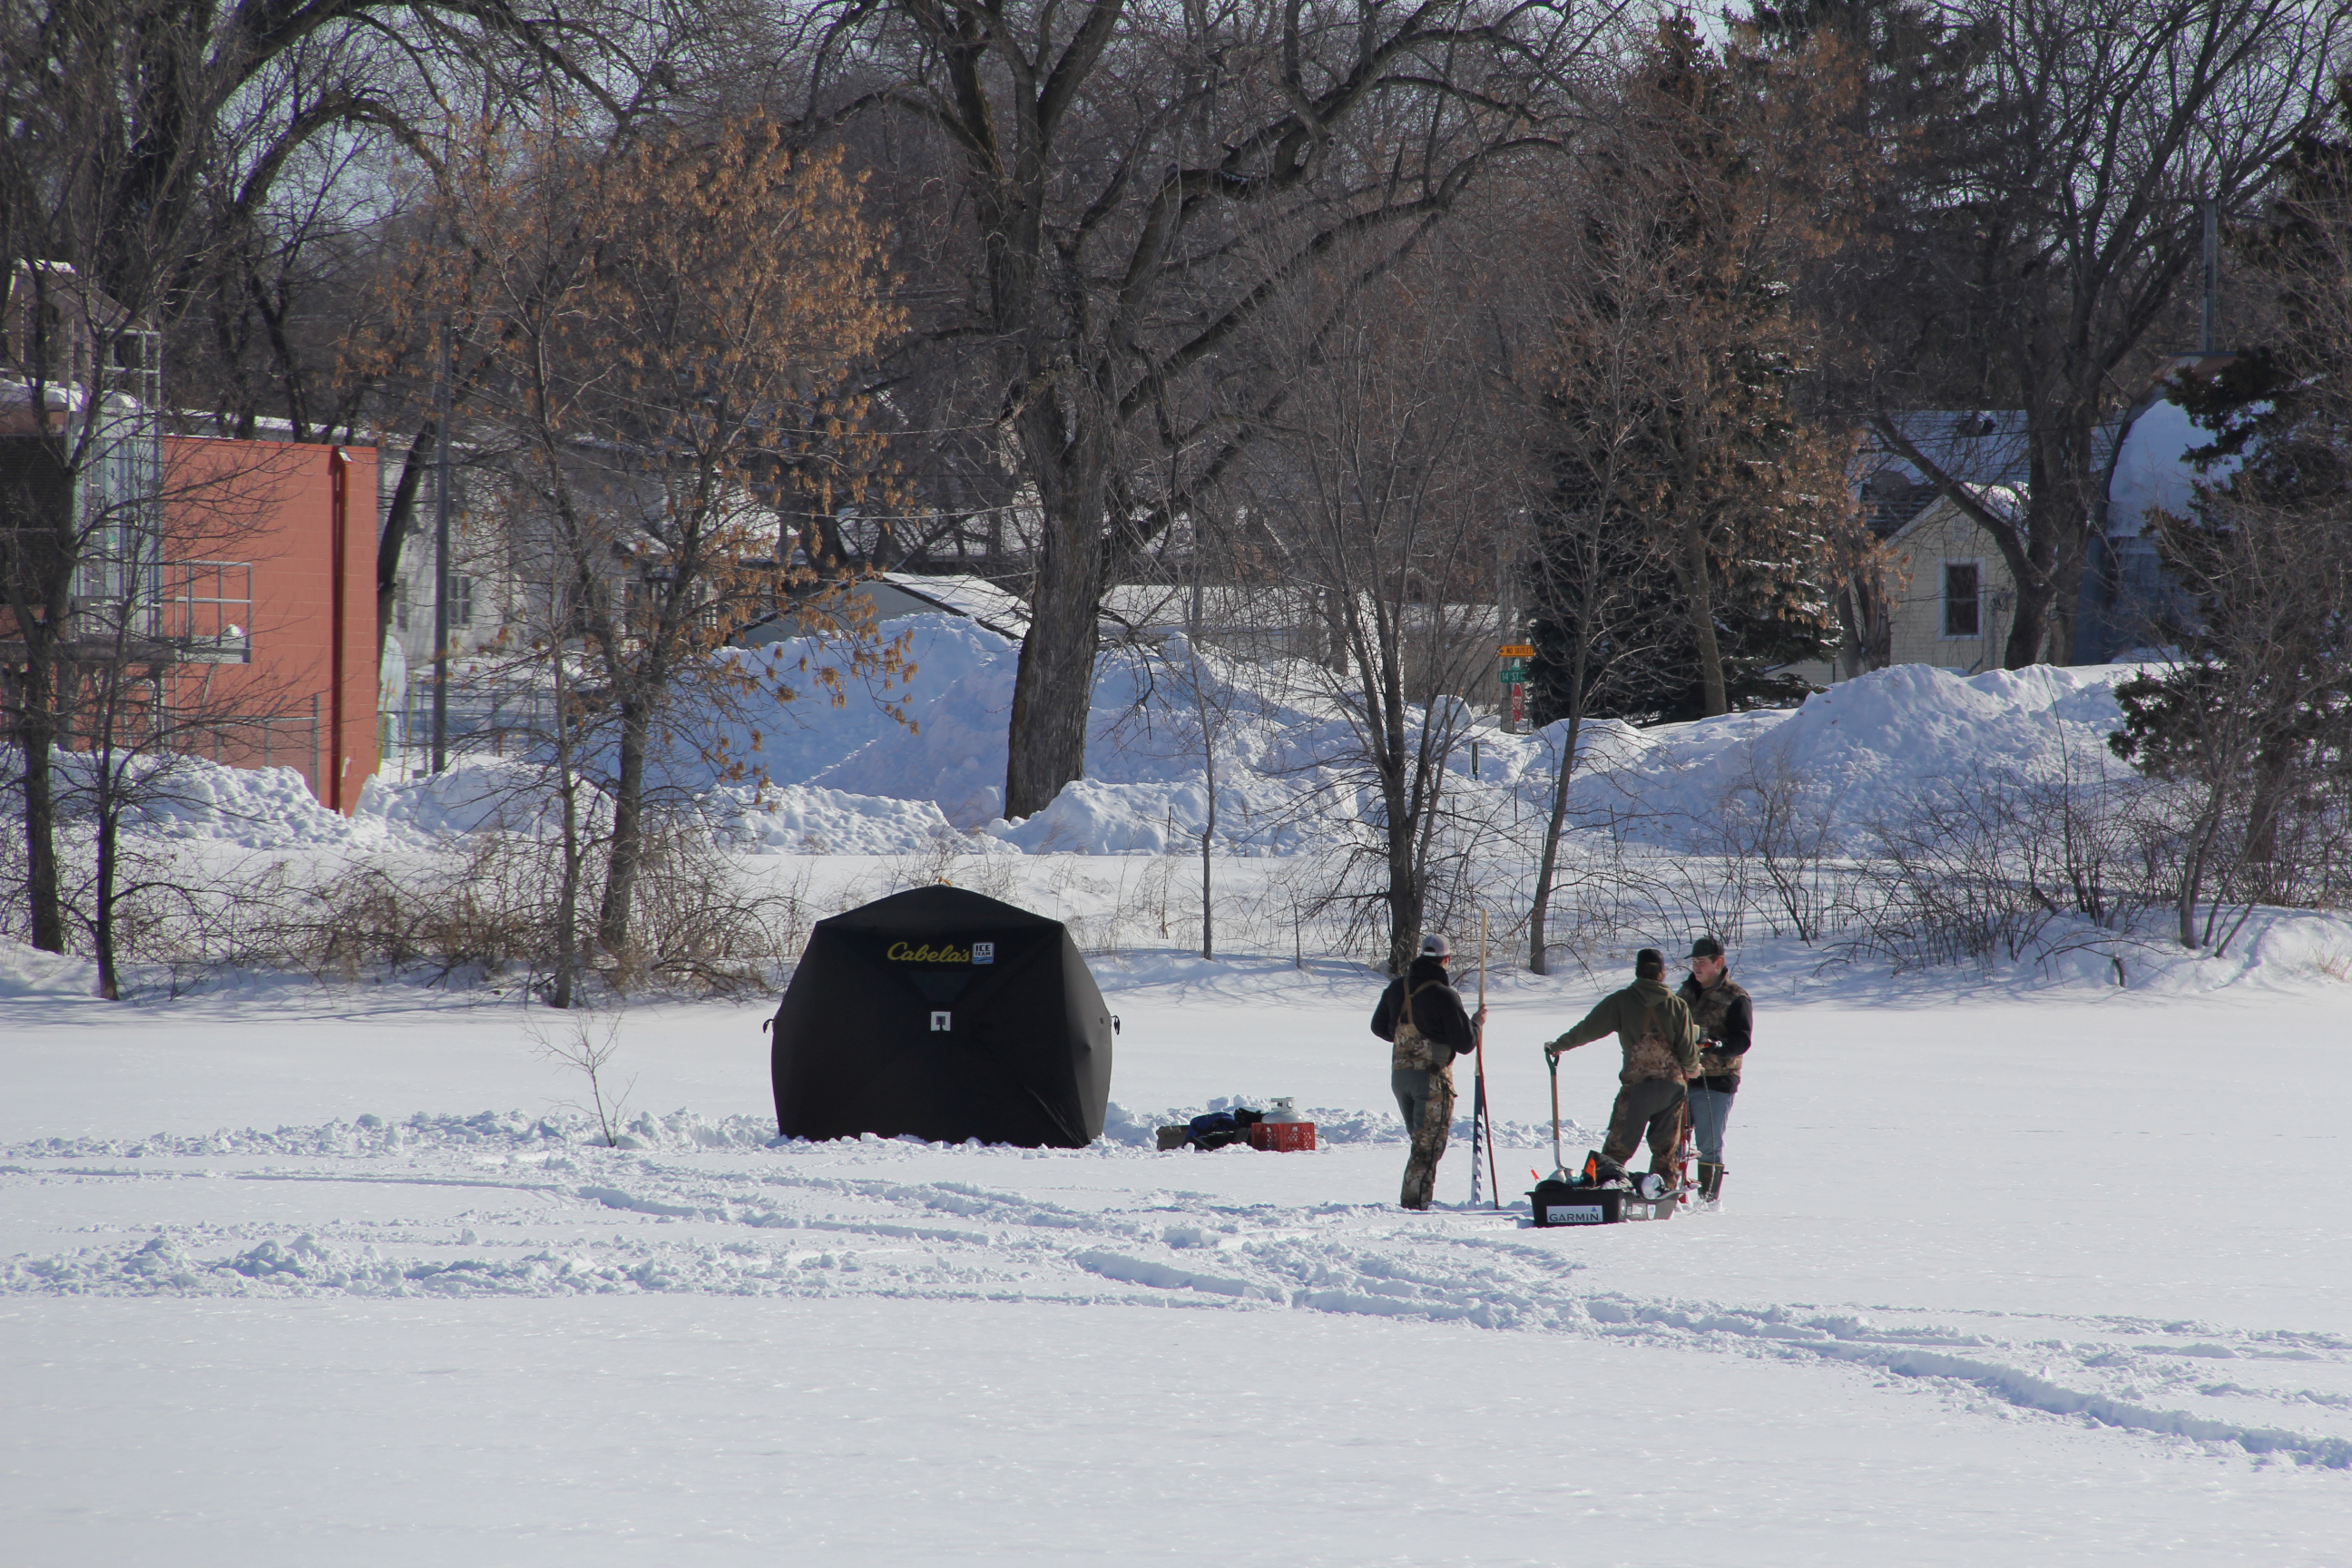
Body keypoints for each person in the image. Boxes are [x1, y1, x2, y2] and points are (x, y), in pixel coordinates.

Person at [1544, 947, 1700, 1191]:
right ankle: (1661, 1193)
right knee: (1665, 1152)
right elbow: (1688, 1052)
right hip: (1672, 1090)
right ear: (1663, 973)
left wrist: (1558, 1046)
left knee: (1616, 1150)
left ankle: (1598, 1188)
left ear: (1637, 971)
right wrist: (1693, 1068)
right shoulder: (1677, 1006)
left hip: (1638, 1090)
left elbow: (1588, 1028)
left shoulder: (1622, 1001)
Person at [1370, 933, 1486, 1210]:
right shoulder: (1445, 995)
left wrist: (1404, 1042)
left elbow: (1378, 1026)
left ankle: (1417, 1202)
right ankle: (1414, 1206)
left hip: (1401, 1079)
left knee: (1421, 1143)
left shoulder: (1396, 987)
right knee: (1428, 1148)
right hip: (1432, 1081)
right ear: (1446, 960)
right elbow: (1465, 1043)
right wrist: (1476, 1024)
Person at [1677, 936, 1752, 1208]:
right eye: (1694, 962)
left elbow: (1742, 1040)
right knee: (1673, 1141)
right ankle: (1673, 1196)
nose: (1696, 967)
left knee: (1708, 1144)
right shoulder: (1684, 994)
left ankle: (1707, 1202)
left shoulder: (1736, 997)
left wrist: (1715, 1046)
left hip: (1717, 1080)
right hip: (1682, 1077)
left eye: (1702, 962)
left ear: (1718, 963)